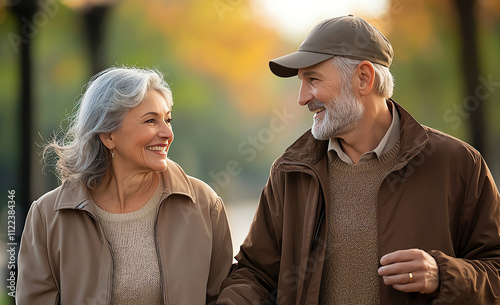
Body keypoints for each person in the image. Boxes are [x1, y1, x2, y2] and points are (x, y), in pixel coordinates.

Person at [217, 15, 500, 304]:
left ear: (364, 78)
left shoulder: (457, 164)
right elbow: (255, 273)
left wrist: (443, 275)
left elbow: (496, 269)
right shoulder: (290, 172)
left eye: (312, 79)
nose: (302, 98)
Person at [16, 66, 233, 305]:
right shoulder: (48, 216)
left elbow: (222, 297)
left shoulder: (203, 204)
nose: (167, 132)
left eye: (167, 119)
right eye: (151, 120)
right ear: (108, 135)